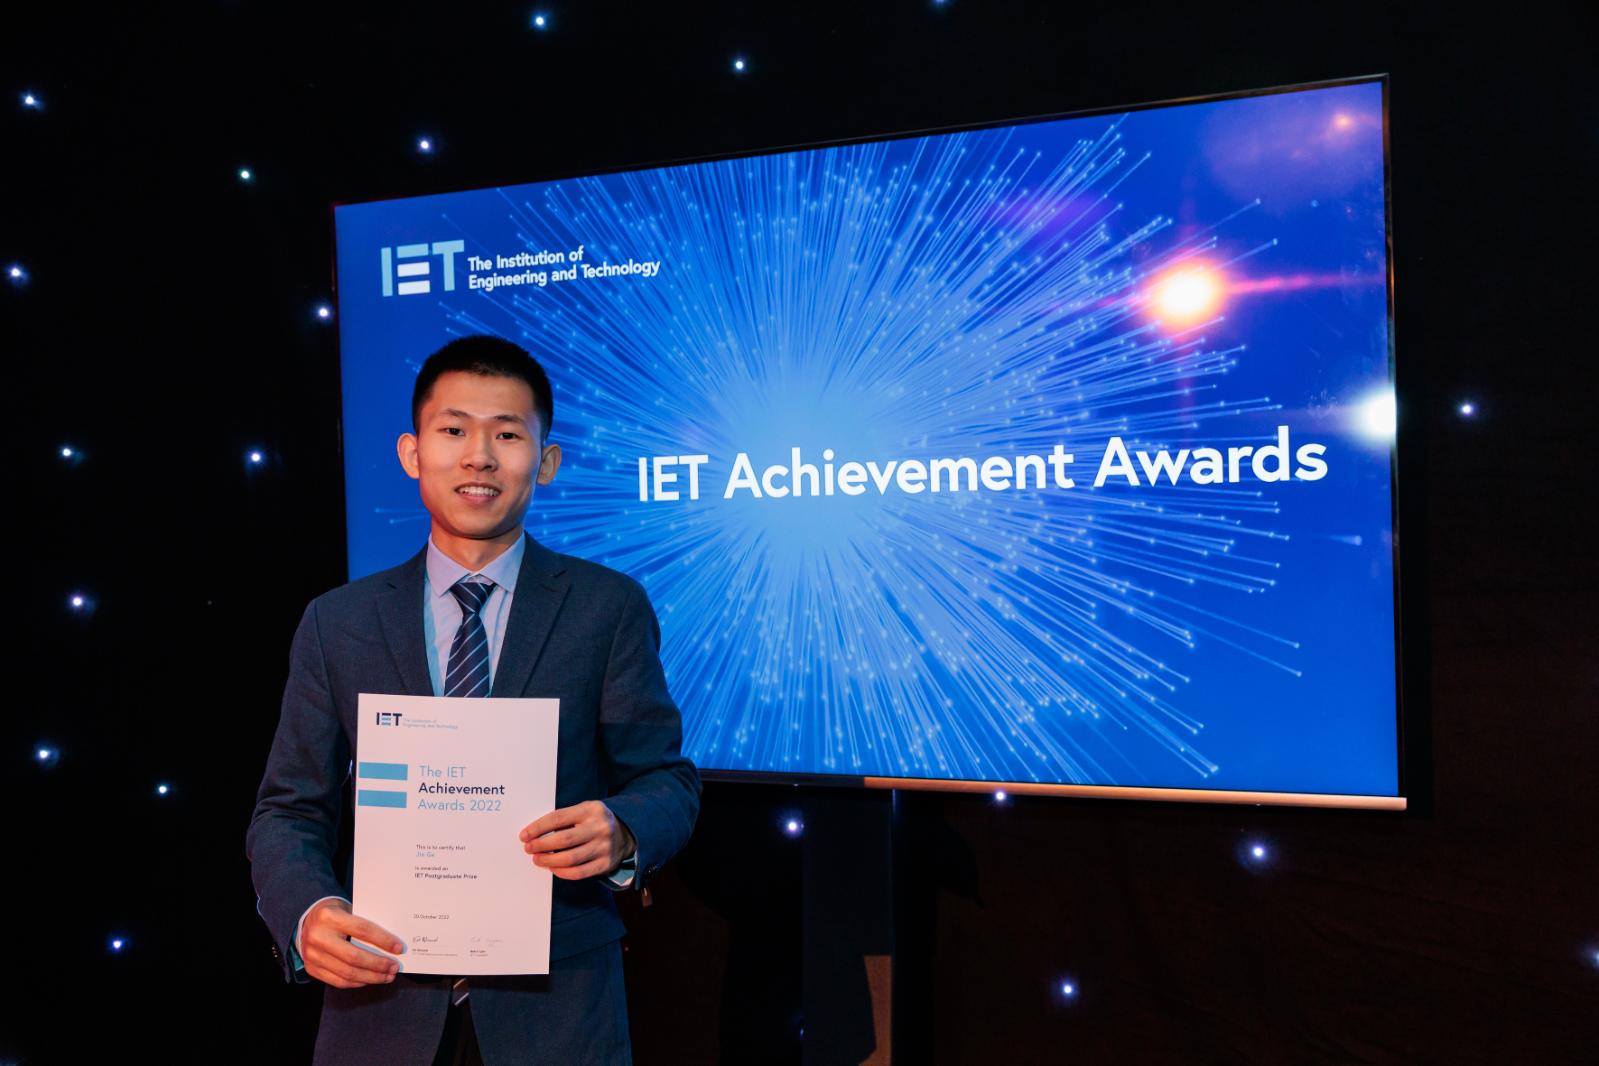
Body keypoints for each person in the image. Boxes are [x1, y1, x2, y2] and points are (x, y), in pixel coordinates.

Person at [246, 335, 701, 1065]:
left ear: (546, 461)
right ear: (412, 452)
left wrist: (622, 830)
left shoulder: (606, 607)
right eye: (453, 430)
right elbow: (288, 809)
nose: (479, 457)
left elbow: (666, 779)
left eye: (508, 435)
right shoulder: (339, 621)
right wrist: (308, 912)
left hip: (558, 1008)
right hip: (381, 1002)